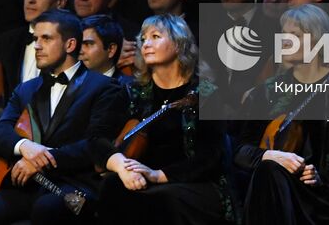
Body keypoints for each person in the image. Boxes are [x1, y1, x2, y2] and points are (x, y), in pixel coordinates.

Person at [0, 9, 127, 225]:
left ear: (70, 45)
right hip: (27, 183)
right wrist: (25, 146)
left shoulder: (105, 87)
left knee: (46, 209)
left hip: (73, 185)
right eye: (35, 39)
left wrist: (42, 161)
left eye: (46, 39)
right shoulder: (27, 88)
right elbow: (0, 131)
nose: (37, 46)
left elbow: (95, 144)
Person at [236, 5, 329, 225]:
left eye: (295, 35)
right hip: (275, 185)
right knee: (270, 170)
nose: (284, 40)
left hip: (323, 194)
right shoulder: (268, 91)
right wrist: (270, 155)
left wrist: (321, 177)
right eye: (283, 34)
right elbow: (241, 150)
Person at [94, 14, 235, 224]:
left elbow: (210, 157)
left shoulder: (206, 94)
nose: (146, 44)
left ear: (179, 44)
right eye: (143, 39)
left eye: (155, 36)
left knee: (160, 200)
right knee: (112, 185)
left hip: (193, 183)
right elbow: (97, 137)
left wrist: (158, 175)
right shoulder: (132, 91)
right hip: (142, 177)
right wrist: (121, 165)